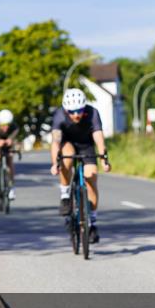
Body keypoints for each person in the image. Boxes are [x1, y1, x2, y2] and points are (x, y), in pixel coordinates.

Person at [49, 89, 111, 243]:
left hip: (86, 145)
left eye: (79, 110)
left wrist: (104, 159)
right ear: (66, 110)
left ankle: (92, 222)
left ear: (84, 107)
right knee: (67, 157)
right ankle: (65, 195)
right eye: (72, 112)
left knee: (91, 177)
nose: (76, 115)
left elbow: (98, 138)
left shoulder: (92, 113)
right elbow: (56, 142)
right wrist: (55, 163)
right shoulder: (59, 115)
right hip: (67, 143)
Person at [0, 109, 19, 199]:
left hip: (8, 144)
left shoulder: (15, 127)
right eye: (3, 125)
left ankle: (12, 187)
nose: (6, 127)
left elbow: (12, 138)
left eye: (8, 125)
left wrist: (10, 141)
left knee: (10, 160)